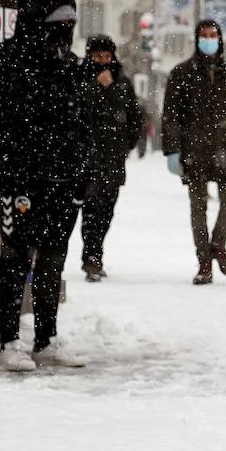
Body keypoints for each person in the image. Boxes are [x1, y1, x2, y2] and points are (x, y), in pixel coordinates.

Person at [0, 0, 88, 371]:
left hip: (62, 179)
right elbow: (0, 124)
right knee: (15, 258)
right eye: (58, 23)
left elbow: (80, 124)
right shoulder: (7, 63)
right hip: (22, 179)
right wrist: (13, 167)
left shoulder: (71, 66)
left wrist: (82, 171)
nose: (65, 31)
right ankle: (10, 339)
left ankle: (47, 337)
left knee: (53, 259)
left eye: (70, 23)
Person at [161, 20, 226, 284]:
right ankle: (204, 260)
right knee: (198, 207)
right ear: (197, 39)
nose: (209, 40)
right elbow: (171, 116)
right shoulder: (181, 73)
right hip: (195, 150)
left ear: (220, 39)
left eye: (213, 35)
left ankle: (218, 246)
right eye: (204, 36)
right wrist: (172, 151)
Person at [78, 35, 144, 282]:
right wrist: (97, 88)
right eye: (98, 57)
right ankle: (91, 258)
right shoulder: (82, 80)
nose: (103, 61)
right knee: (91, 211)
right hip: (89, 160)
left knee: (106, 212)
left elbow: (135, 118)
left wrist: (126, 146)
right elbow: (82, 112)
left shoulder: (123, 83)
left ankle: (96, 253)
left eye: (107, 56)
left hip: (113, 161)